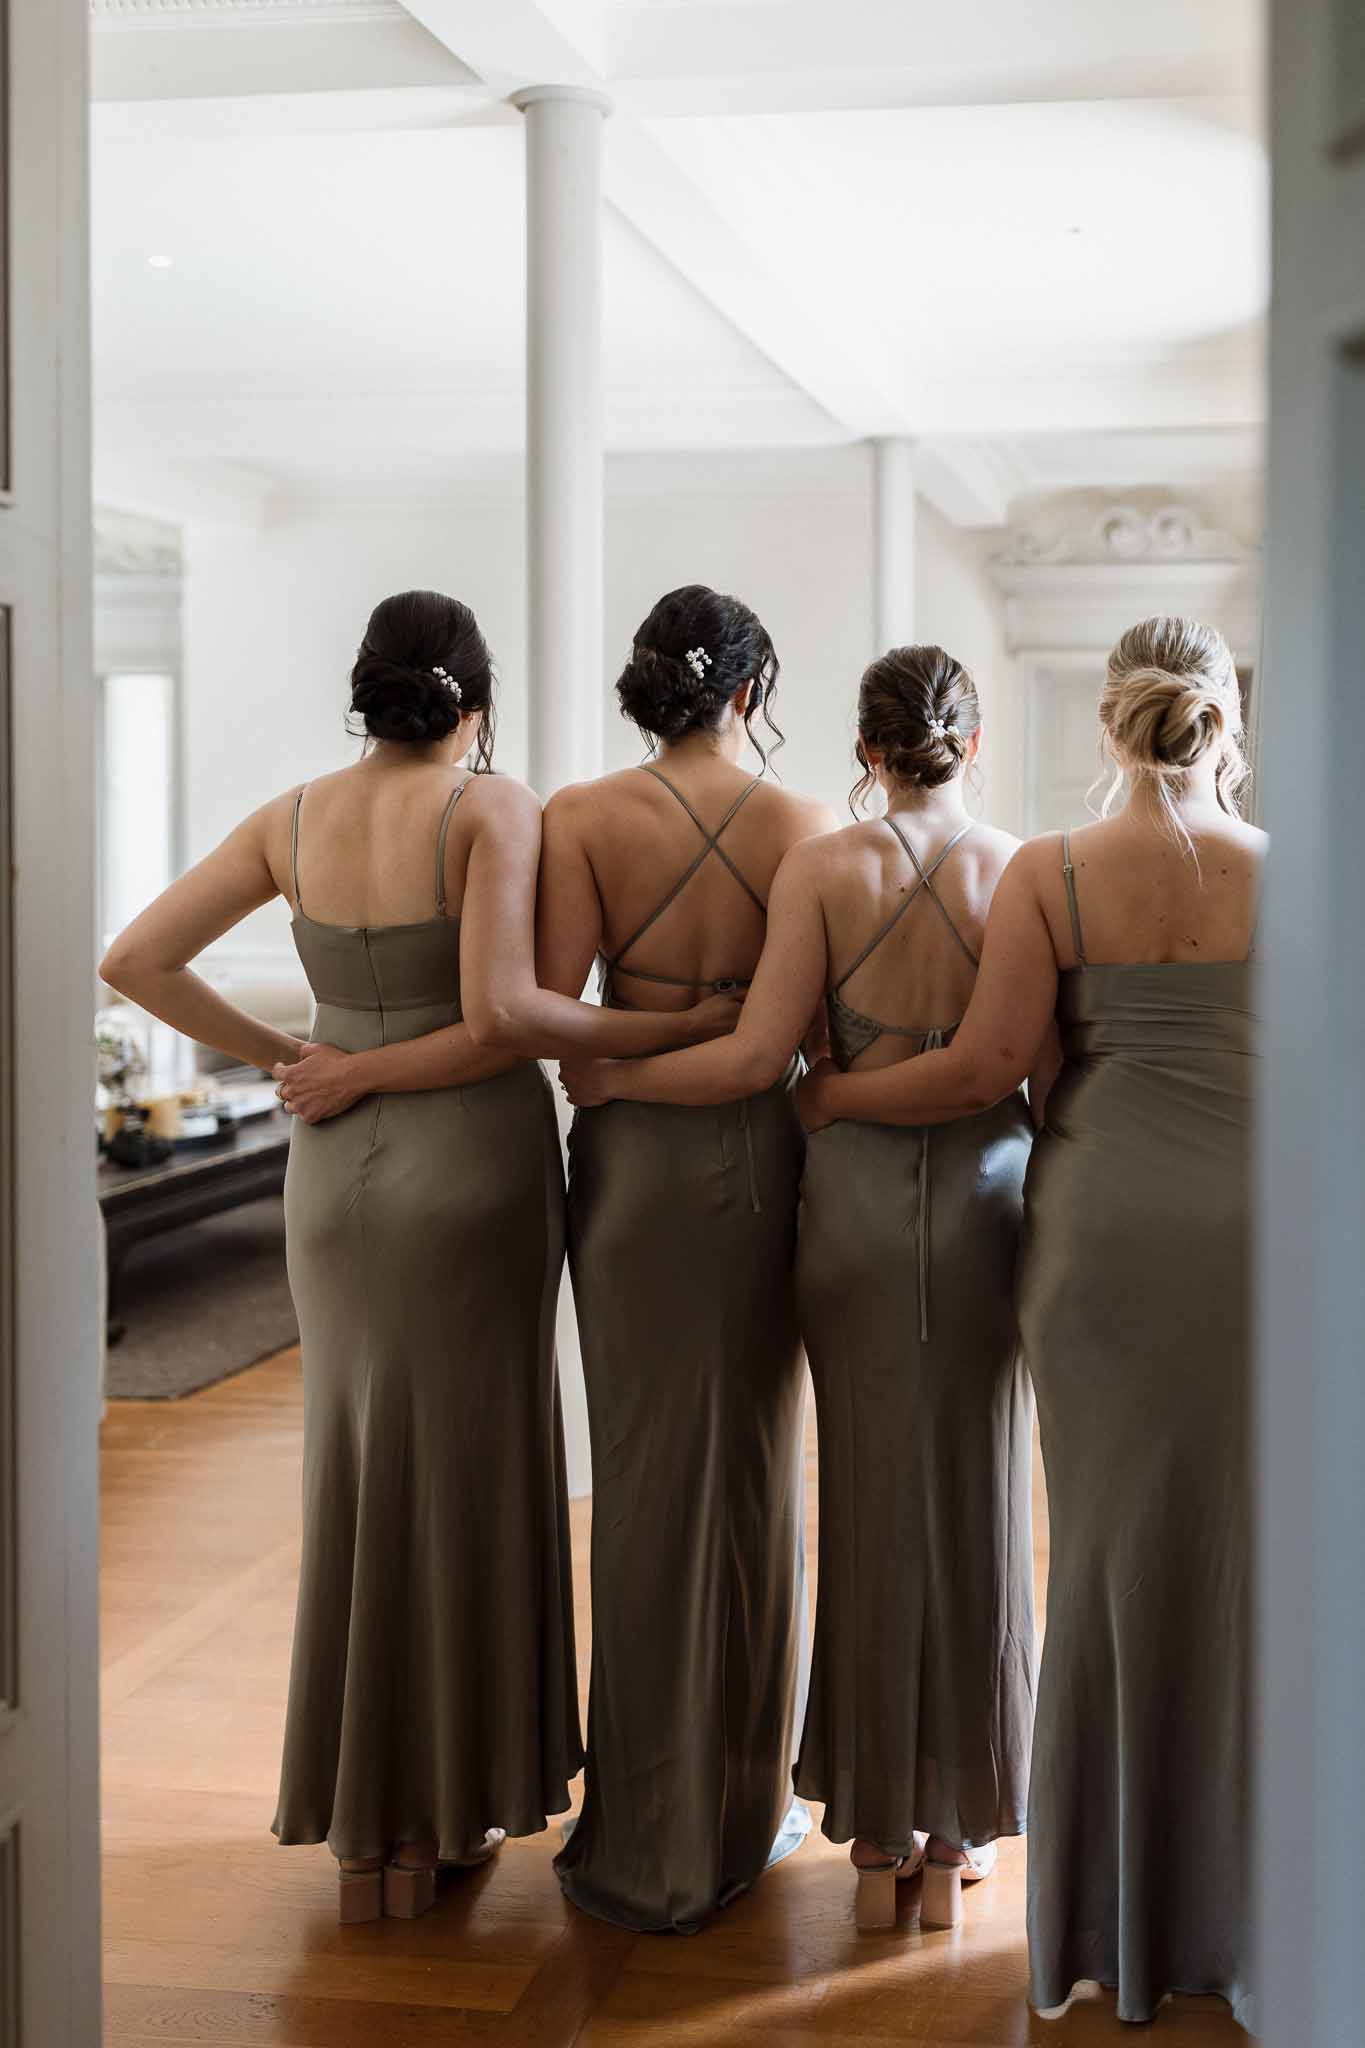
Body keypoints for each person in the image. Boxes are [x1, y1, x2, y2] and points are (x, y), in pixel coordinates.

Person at [100, 590, 733, 1923]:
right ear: (476, 700)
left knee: (356, 1469)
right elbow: (509, 1019)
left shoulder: (290, 818)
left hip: (334, 1173)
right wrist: (682, 1033)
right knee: (477, 1470)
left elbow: (136, 959)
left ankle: (361, 1823)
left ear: (365, 690)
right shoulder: (491, 808)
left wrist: (296, 1061)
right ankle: (450, 1810)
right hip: (472, 1166)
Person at [797, 616, 1262, 2025]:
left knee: (1105, 1558)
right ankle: (1246, 1914)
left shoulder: (1052, 872)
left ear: (1110, 724)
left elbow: (990, 1068)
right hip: (1255, 1232)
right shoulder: (1292, 870)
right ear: (1218, 720)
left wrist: (828, 1095)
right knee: (1250, 1564)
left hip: (1099, 1233)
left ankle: (1113, 1922)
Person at [563, 643, 1037, 1933]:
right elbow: (1034, 1072)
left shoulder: (825, 867)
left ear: (867, 749)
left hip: (853, 1216)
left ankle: (881, 1832)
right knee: (983, 1503)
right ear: (973, 743)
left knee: (867, 1501)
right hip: (991, 1210)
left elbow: (756, 1060)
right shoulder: (1025, 870)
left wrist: (615, 1084)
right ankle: (962, 1828)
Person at [537, 583, 836, 1933]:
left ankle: (644, 1820)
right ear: (750, 697)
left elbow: (563, 1035)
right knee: (755, 1483)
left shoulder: (579, 820)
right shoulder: (802, 826)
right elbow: (776, 1044)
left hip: (632, 1178)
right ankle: (733, 1807)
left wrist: (633, 1046)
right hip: (758, 1163)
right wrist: (714, 1026)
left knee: (648, 1483)